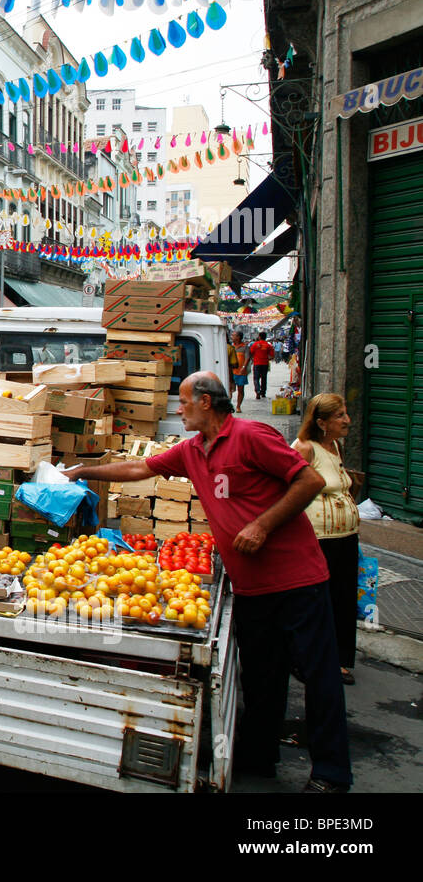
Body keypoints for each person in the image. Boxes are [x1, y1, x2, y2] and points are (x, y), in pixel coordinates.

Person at [64, 371, 351, 793]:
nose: (177, 409)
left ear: (205, 402)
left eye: (182, 401)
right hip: (250, 586)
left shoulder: (252, 436)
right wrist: (82, 472)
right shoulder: (193, 450)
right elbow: (140, 466)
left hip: (296, 580)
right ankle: (261, 756)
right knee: (261, 678)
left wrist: (261, 526)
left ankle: (331, 774)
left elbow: (309, 480)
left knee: (319, 676)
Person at [293, 394, 361, 686]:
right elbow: (290, 489)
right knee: (317, 601)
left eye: (345, 414)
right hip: (317, 539)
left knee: (343, 598)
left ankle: (339, 659)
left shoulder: (335, 446)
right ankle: (306, 659)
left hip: (345, 538)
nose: (347, 421)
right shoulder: (304, 449)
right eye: (340, 416)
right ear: (321, 422)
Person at [227, 330, 250, 410]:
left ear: (238, 337)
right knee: (229, 389)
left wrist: (244, 368)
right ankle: (229, 405)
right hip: (231, 372)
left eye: (233, 335)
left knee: (241, 390)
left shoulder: (245, 347)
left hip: (241, 372)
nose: (232, 337)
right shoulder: (230, 347)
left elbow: (247, 358)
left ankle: (238, 406)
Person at [250, 331, 276, 399]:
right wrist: (267, 358)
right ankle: (263, 392)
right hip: (265, 364)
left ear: (259, 337)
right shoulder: (268, 345)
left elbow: (250, 353)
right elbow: (272, 356)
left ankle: (258, 391)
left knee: (256, 378)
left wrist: (253, 358)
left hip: (257, 363)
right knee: (264, 378)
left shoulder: (255, 344)